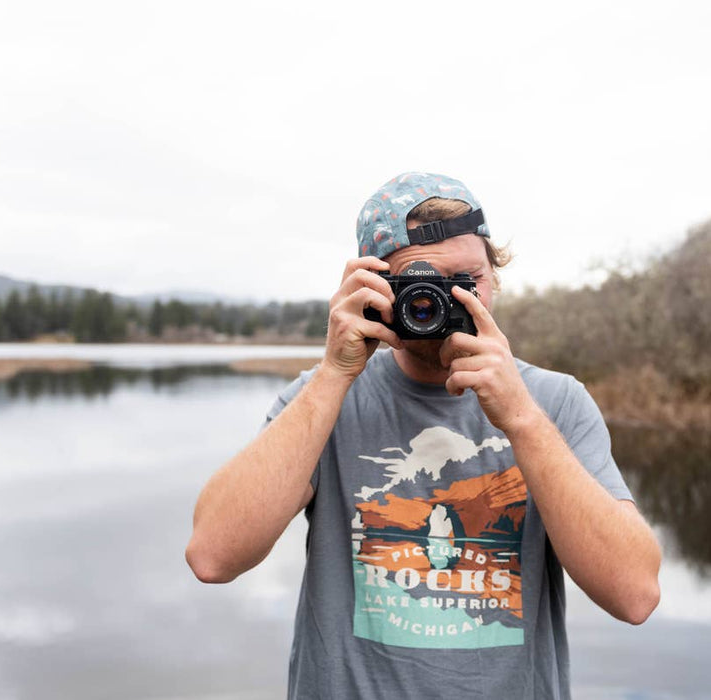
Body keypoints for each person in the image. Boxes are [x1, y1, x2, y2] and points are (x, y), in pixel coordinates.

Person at [185, 172, 662, 699]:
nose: (441, 301)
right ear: (374, 292)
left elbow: (635, 595)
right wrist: (333, 375)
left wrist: (521, 420)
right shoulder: (321, 398)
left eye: (466, 279)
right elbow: (213, 557)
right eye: (419, 285)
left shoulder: (554, 403)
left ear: (494, 278)